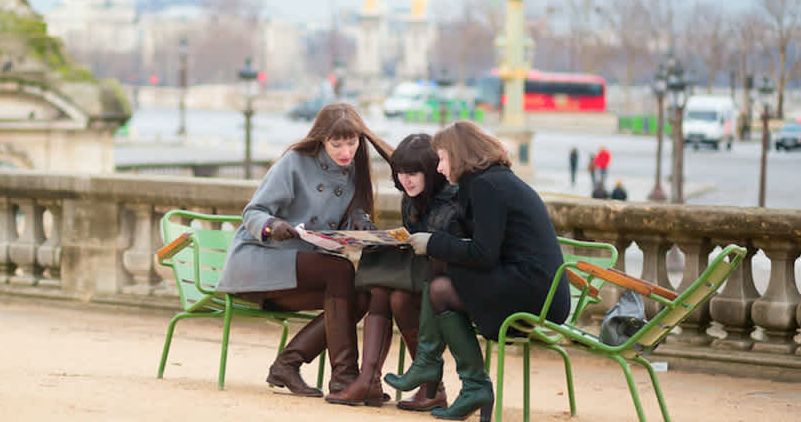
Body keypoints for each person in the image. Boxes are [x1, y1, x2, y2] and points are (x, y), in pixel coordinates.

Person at [387, 121, 570, 421]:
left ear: (459, 155)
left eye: (443, 159)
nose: (441, 168)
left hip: (532, 294)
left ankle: (452, 374)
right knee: (440, 278)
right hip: (535, 287)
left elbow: (483, 255)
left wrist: (434, 242)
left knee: (440, 283)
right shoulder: (491, 180)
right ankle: (445, 371)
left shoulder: (486, 186)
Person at [215, 103, 394, 399]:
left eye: (352, 142)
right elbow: (253, 212)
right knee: (340, 270)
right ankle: (345, 378)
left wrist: (360, 223)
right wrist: (273, 225)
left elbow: (346, 216)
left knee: (361, 297)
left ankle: (287, 364)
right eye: (336, 144)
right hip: (261, 259)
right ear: (322, 139)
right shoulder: (295, 162)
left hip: (303, 270)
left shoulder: (355, 171)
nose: (345, 151)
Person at [327, 134, 460, 410]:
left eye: (413, 173)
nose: (405, 179)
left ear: (432, 170)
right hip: (423, 274)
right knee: (384, 290)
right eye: (400, 173)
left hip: (450, 281)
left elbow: (444, 248)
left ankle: (427, 387)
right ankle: (369, 380)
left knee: (397, 296)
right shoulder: (410, 199)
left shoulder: (450, 199)